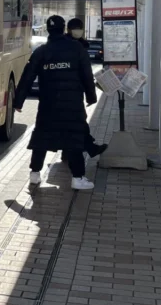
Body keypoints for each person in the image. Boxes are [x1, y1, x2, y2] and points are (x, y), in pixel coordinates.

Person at [16, 15, 98, 191]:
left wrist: (18, 101)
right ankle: (77, 178)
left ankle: (34, 174)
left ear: (48, 30)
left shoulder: (41, 51)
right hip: (72, 104)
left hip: (48, 104)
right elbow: (87, 76)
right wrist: (91, 97)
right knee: (74, 139)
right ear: (64, 29)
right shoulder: (77, 49)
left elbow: (27, 77)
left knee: (42, 138)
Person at [67, 17, 107, 158]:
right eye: (75, 28)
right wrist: (91, 96)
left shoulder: (83, 45)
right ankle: (90, 148)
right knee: (78, 122)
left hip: (75, 91)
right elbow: (86, 74)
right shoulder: (66, 45)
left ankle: (75, 151)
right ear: (68, 29)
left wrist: (90, 95)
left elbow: (86, 74)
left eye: (80, 28)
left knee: (75, 122)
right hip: (70, 91)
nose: (78, 31)